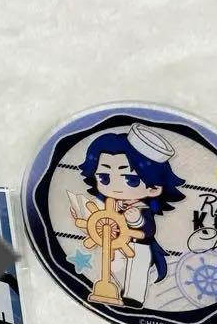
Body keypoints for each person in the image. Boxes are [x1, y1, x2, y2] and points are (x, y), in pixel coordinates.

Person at [76, 123, 186, 308]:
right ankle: (109, 286)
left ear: (154, 188)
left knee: (138, 267)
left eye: (131, 180)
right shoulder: (111, 205)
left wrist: (136, 220)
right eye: (104, 177)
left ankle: (133, 297)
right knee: (109, 267)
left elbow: (148, 231)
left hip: (139, 245)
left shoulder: (142, 208)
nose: (116, 186)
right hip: (112, 244)